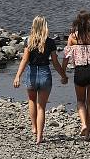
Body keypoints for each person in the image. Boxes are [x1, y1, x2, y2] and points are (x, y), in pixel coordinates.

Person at [13, 16, 68, 144]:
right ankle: (40, 136)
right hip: (44, 73)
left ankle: (34, 127)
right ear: (45, 27)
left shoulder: (29, 41)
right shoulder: (50, 42)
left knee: (31, 100)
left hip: (31, 73)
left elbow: (25, 60)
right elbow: (55, 62)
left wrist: (17, 76)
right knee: (41, 107)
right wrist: (63, 75)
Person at [62, 11, 90, 138]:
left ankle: (83, 124)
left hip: (80, 71)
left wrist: (63, 73)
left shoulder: (73, 37)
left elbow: (66, 56)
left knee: (80, 101)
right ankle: (88, 133)